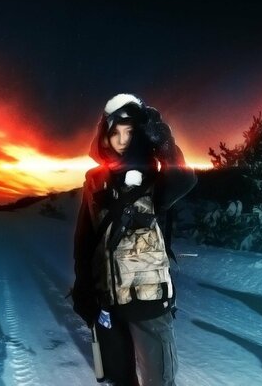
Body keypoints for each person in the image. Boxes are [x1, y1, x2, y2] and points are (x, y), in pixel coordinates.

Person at [71, 93, 197, 385]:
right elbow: (85, 239)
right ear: (104, 137)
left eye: (130, 132)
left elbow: (185, 179)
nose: (121, 139)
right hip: (108, 301)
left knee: (159, 379)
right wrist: (83, 287)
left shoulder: (157, 177)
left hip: (149, 301)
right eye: (115, 132)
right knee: (118, 377)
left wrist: (165, 143)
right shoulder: (95, 180)